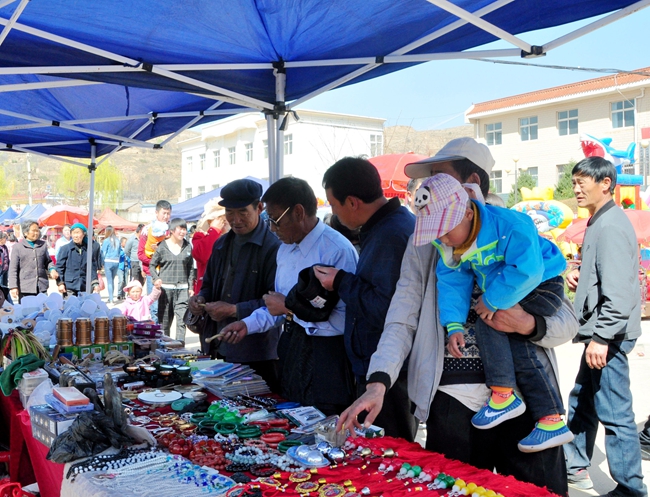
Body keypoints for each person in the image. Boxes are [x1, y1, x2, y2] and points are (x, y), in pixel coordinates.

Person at [336, 137, 577, 497]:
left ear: (472, 183)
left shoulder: (517, 228)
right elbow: (402, 315)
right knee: (452, 488)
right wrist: (379, 381)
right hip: (453, 397)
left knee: (536, 492)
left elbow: (567, 320)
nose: (430, 187)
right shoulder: (426, 241)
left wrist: (529, 325)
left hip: (527, 396)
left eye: (440, 176)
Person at [415, 173, 571, 452]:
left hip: (543, 283)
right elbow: (452, 280)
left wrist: (492, 300)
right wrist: (453, 325)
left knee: (494, 323)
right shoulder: (451, 241)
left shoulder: (510, 225)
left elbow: (528, 269)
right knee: (502, 329)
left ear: (466, 213)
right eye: (436, 232)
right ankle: (543, 416)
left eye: (446, 230)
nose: (443, 239)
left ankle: (516, 401)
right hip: (511, 289)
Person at [219, 177, 358, 416]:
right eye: (268, 221)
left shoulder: (337, 250)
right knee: (290, 418)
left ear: (298, 212)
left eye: (275, 220)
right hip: (291, 349)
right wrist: (247, 324)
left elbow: (345, 320)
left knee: (324, 423)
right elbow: (276, 307)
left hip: (327, 357)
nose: (272, 229)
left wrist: (288, 308)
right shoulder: (284, 249)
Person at [314, 157, 417, 440]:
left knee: (389, 450)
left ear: (352, 202)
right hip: (379, 366)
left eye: (333, 205)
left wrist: (340, 281)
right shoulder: (385, 227)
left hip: (389, 372)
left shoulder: (391, 234)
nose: (333, 213)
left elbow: (387, 309)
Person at [563, 157, 647, 497]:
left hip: (608, 336)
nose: (576, 189)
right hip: (600, 333)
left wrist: (602, 337)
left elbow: (619, 292)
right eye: (574, 182)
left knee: (615, 412)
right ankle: (574, 465)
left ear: (606, 184)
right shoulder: (599, 220)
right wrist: (578, 274)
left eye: (583, 182)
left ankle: (630, 488)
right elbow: (604, 275)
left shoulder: (610, 225)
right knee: (583, 401)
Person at [187, 179, 281, 392]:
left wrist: (234, 310)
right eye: (230, 212)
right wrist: (200, 299)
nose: (236, 220)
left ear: (259, 208)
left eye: (243, 212)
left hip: (256, 352)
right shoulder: (221, 243)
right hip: (218, 346)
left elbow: (276, 304)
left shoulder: (273, 247)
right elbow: (208, 284)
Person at [149, 218, 194, 343]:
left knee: (182, 320)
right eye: (180, 229)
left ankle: (180, 345)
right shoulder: (162, 246)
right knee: (164, 322)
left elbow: (190, 268)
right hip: (166, 290)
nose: (183, 232)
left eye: (184, 229)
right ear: (172, 231)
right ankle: (166, 346)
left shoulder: (187, 246)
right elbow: (152, 265)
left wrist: (191, 287)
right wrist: (156, 278)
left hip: (183, 289)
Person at [138, 201, 172, 323]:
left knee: (167, 308)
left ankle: (164, 332)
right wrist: (155, 261)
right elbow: (141, 254)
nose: (166, 216)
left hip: (169, 273)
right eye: (164, 213)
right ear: (156, 212)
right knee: (154, 307)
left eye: (168, 213)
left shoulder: (171, 230)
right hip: (152, 274)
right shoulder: (147, 230)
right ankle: (155, 331)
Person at [8, 220, 57, 302]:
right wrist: (13, 287)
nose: (36, 233)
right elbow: (13, 268)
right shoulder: (18, 247)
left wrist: (52, 269)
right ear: (25, 233)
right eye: (33, 231)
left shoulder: (43, 245)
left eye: (37, 230)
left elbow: (48, 261)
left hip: (42, 286)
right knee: (27, 309)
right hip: (25, 288)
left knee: (43, 308)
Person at [192, 198, 229, 295]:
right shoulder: (200, 236)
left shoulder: (233, 237)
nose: (224, 222)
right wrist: (214, 230)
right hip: (207, 288)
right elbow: (202, 256)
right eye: (220, 219)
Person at [55, 223, 102, 295]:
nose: (76, 236)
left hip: (85, 285)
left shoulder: (89, 250)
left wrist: (95, 283)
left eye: (78, 233)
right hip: (69, 287)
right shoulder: (65, 249)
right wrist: (60, 283)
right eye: (73, 233)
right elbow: (59, 267)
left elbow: (92, 268)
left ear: (83, 234)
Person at [101, 226, 122, 304]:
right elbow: (119, 252)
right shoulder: (117, 240)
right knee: (112, 280)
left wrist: (101, 262)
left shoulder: (106, 240)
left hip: (108, 261)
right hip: (116, 261)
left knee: (109, 281)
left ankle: (111, 299)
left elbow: (103, 252)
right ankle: (111, 297)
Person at [0, 232, 13, 303]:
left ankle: (6, 301)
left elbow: (7, 258)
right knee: (1, 287)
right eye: (5, 238)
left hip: (5, 270)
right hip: (0, 271)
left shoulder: (5, 247)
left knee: (5, 286)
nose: (6, 240)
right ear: (1, 239)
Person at [116, 237, 129, 301]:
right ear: (121, 243)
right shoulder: (119, 249)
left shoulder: (127, 249)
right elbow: (119, 255)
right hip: (120, 266)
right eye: (125, 242)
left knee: (126, 281)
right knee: (121, 280)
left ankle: (123, 294)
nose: (126, 244)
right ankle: (119, 293)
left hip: (126, 266)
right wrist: (124, 253)